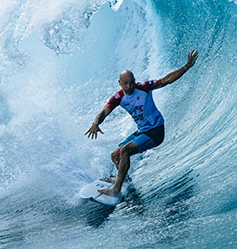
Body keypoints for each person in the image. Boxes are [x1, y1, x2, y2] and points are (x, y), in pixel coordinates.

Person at [85, 49, 199, 199]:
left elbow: (166, 80)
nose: (129, 86)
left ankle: (116, 189)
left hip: (156, 131)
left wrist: (186, 67)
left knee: (125, 150)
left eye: (131, 82)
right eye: (125, 83)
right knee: (115, 155)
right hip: (143, 131)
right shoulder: (119, 97)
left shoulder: (143, 88)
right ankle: (124, 181)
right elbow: (104, 112)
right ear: (120, 83)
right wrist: (95, 123)